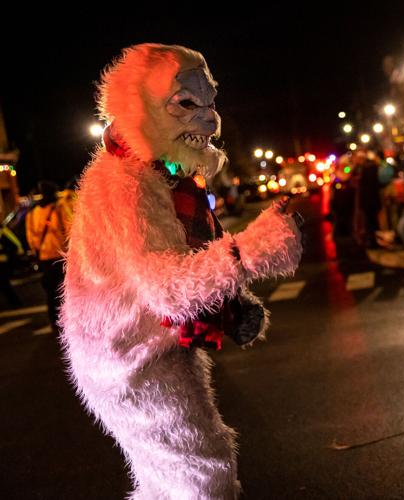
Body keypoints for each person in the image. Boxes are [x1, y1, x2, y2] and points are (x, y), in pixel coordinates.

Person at [60, 44, 302, 498]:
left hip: (136, 354)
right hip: (134, 363)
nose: (210, 121)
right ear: (137, 107)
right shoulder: (126, 184)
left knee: (169, 483)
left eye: (210, 104)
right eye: (187, 105)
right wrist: (250, 251)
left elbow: (176, 260)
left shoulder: (152, 173)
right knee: (202, 475)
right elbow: (166, 287)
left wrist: (235, 304)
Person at [25, 180, 69, 333]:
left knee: (51, 293)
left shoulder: (31, 214)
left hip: (43, 258)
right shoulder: (58, 209)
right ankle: (66, 323)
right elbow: (69, 230)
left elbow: (30, 239)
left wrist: (37, 252)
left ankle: (54, 322)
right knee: (64, 291)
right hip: (59, 256)